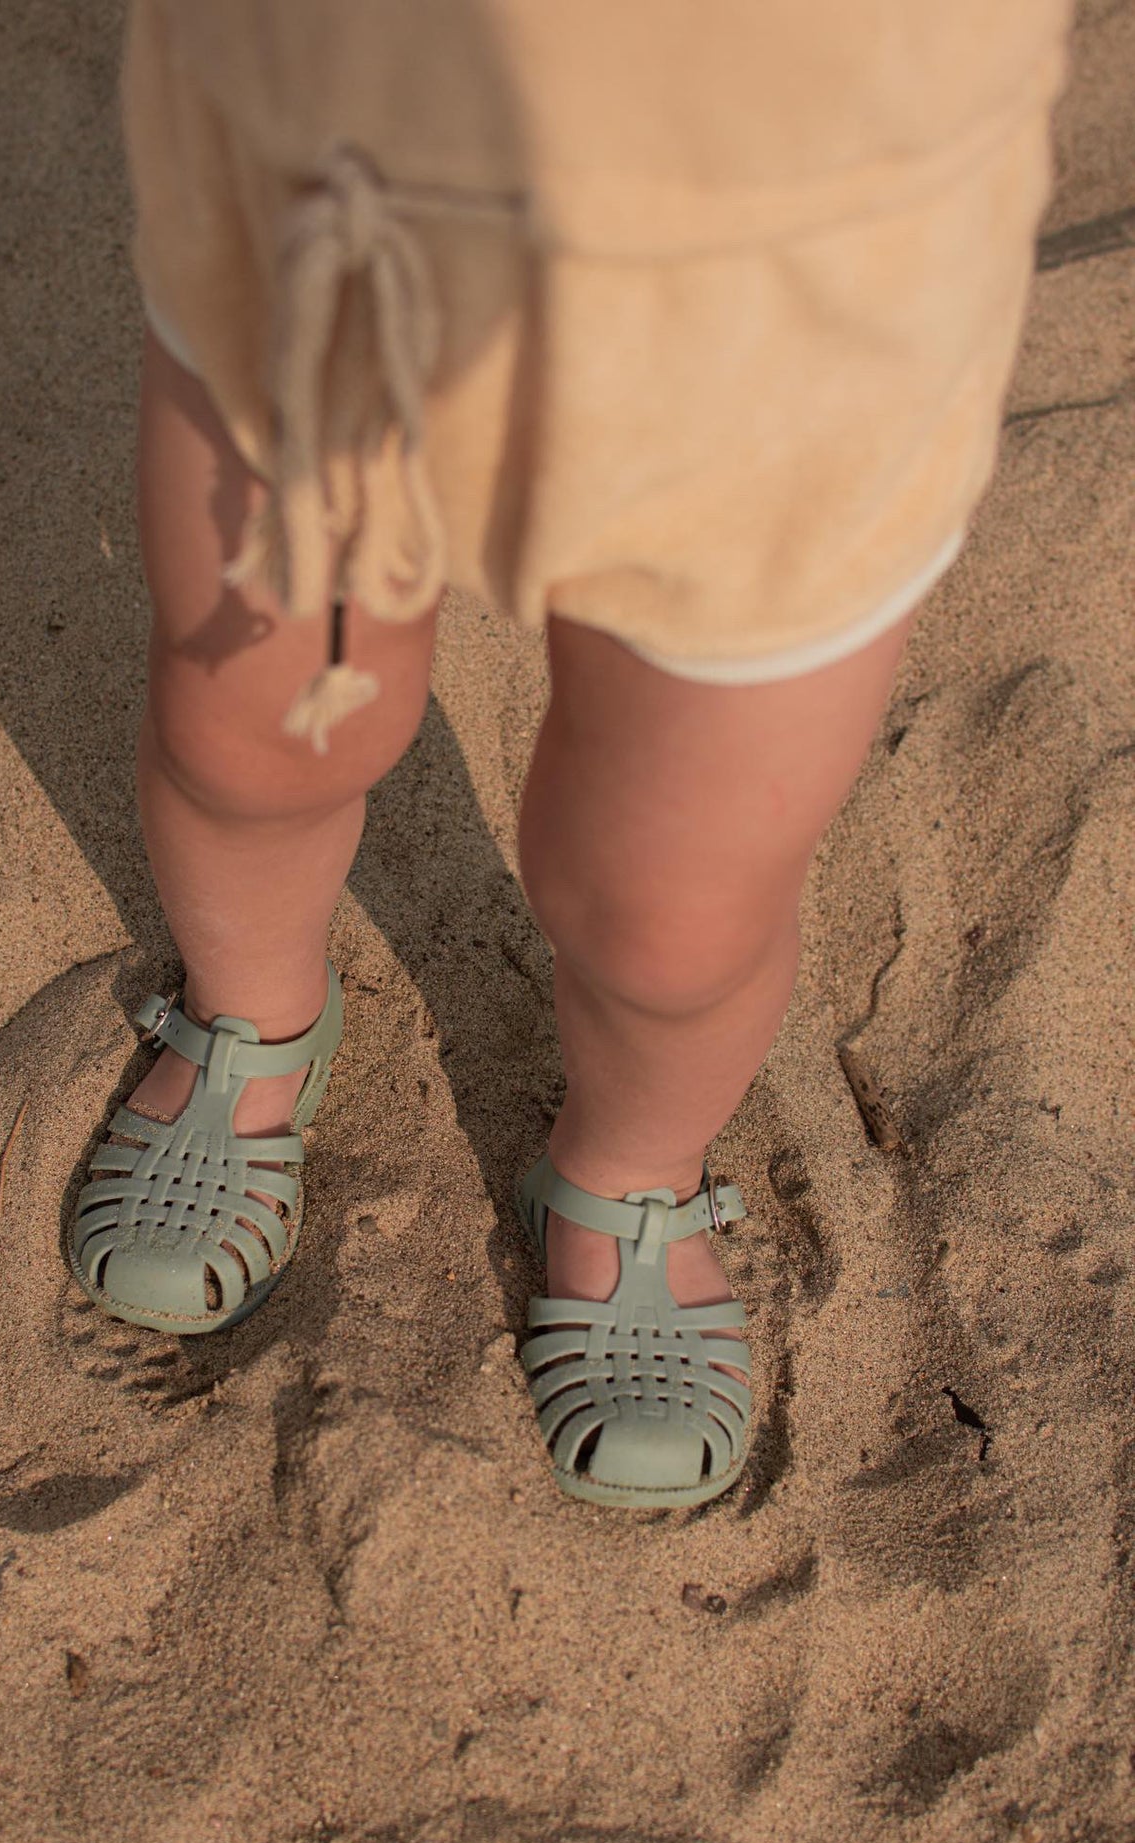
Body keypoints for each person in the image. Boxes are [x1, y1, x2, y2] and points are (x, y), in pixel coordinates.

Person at [68, 0, 1072, 1509]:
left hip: (801, 260)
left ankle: (634, 1165)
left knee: (674, 905)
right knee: (250, 721)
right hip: (341, 169)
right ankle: (258, 1009)